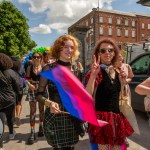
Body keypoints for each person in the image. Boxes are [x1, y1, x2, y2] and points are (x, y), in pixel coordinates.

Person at [85, 38, 134, 150]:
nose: (107, 53)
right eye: (103, 50)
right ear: (98, 54)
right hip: (101, 119)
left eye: (110, 50)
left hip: (116, 119)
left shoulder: (118, 71)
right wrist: (93, 75)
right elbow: (87, 95)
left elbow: (122, 94)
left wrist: (124, 81)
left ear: (114, 53)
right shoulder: (95, 72)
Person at [37, 35, 83, 150]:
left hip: (72, 116)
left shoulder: (76, 69)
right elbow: (39, 95)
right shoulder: (49, 68)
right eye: (66, 47)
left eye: (72, 47)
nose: (69, 50)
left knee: (71, 147)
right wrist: (49, 103)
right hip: (57, 115)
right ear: (59, 48)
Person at [115, 53, 140, 137]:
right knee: (118, 111)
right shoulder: (113, 67)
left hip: (125, 90)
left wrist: (126, 81)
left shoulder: (127, 66)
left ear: (123, 58)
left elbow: (131, 77)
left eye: (120, 56)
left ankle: (124, 133)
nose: (119, 58)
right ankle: (119, 131)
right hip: (116, 91)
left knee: (126, 110)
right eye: (117, 56)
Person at [0, 53, 21, 147]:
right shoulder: (10, 72)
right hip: (9, 99)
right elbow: (18, 85)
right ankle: (11, 133)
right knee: (9, 118)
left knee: (1, 120)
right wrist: (18, 95)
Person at [25, 52, 45, 144]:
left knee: (41, 110)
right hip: (32, 90)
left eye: (38, 57)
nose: (37, 58)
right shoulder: (29, 67)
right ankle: (32, 132)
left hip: (42, 90)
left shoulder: (44, 68)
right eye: (35, 57)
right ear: (32, 58)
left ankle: (41, 127)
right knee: (32, 111)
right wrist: (29, 85)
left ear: (41, 58)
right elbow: (26, 79)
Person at [11, 56, 26, 126]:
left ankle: (13, 118)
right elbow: (24, 77)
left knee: (12, 104)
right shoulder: (21, 68)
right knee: (19, 102)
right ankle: (18, 115)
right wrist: (24, 85)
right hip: (19, 87)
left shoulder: (9, 68)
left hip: (11, 88)